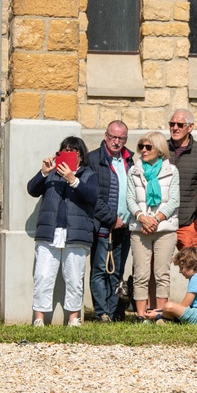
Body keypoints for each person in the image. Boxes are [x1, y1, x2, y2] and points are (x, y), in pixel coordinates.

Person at [27, 137, 100, 327]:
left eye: (72, 151)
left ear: (81, 156)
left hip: (76, 234)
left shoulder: (88, 174)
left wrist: (73, 180)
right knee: (43, 275)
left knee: (74, 277)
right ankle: (39, 318)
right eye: (64, 150)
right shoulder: (51, 174)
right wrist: (43, 173)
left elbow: (92, 196)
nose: (67, 153)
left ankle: (73, 318)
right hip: (49, 232)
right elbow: (32, 189)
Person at [127, 131, 181, 322]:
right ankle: (141, 315)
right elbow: (130, 199)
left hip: (164, 229)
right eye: (141, 146)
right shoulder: (134, 171)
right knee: (141, 273)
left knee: (161, 274)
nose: (143, 150)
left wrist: (155, 219)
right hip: (140, 228)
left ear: (159, 150)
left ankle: (160, 314)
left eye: (148, 147)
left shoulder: (172, 171)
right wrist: (143, 218)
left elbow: (174, 200)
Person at [88, 121, 134, 322]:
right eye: (113, 137)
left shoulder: (130, 161)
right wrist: (110, 218)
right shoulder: (93, 160)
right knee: (99, 269)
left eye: (121, 138)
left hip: (124, 228)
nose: (116, 142)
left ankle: (114, 311)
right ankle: (101, 313)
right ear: (105, 136)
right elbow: (91, 197)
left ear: (125, 139)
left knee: (117, 271)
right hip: (103, 226)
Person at [167, 108, 197, 249]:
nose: (175, 128)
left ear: (190, 127)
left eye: (180, 125)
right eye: (172, 124)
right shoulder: (160, 149)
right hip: (161, 222)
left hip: (188, 223)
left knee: (193, 268)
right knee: (155, 269)